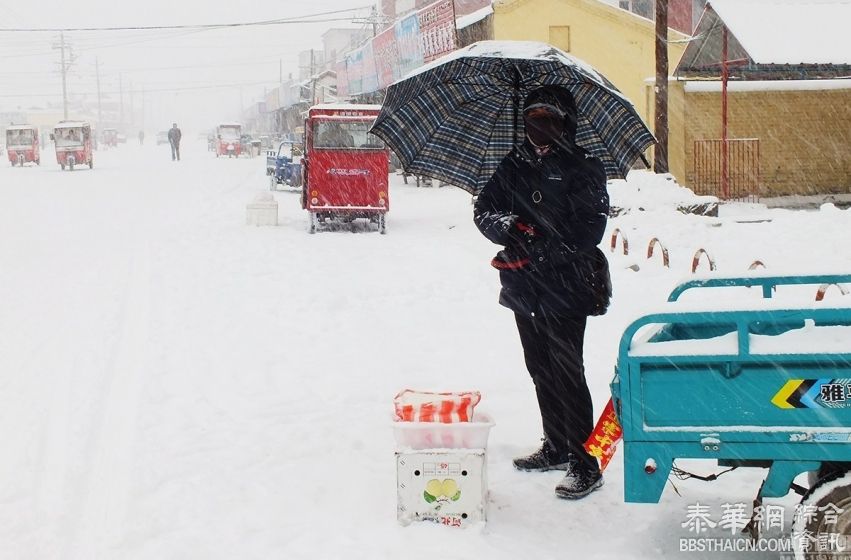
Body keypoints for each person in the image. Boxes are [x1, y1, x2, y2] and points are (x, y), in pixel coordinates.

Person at [473, 85, 611, 500]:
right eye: (532, 117)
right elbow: (484, 210)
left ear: (565, 122)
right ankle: (555, 445)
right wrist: (509, 228)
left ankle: (585, 463)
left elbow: (590, 229)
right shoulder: (514, 163)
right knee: (540, 369)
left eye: (548, 118)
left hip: (567, 287)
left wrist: (542, 250)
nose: (539, 125)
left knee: (569, 373)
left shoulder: (584, 166)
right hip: (523, 288)